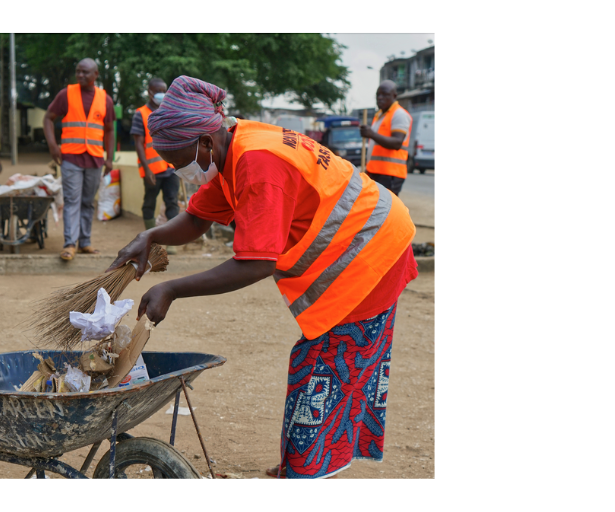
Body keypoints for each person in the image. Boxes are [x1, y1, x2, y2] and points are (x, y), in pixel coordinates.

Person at [106, 76, 418, 479]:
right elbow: (200, 217)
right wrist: (150, 236)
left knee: (325, 366)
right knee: (322, 363)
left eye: (174, 159)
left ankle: (305, 470)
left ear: (203, 142)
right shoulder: (233, 145)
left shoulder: (257, 163)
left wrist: (172, 288)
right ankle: (303, 465)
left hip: (373, 253)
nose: (172, 168)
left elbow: (256, 263)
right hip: (366, 246)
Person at [43, 58, 115, 261]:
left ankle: (85, 242)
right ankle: (69, 244)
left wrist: (109, 159)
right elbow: (48, 117)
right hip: (71, 157)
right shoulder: (66, 94)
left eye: (85, 72)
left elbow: (109, 131)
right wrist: (52, 145)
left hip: (94, 158)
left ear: (95, 75)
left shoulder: (105, 99)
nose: (80, 75)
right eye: (78, 72)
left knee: (87, 202)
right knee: (72, 200)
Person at [132, 78, 180, 246]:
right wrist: (146, 169)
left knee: (172, 203)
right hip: (152, 169)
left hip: (171, 167)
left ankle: (172, 241)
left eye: (164, 90)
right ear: (149, 92)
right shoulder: (140, 113)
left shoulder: (169, 112)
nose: (162, 94)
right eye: (158, 91)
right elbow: (138, 143)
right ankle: (150, 240)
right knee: (149, 203)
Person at [360, 81, 412, 195]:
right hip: (375, 171)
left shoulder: (399, 115)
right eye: (378, 94)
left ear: (394, 96)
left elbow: (397, 143)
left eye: (385, 94)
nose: (380, 98)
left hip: (390, 174)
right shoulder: (379, 116)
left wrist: (371, 134)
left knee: (385, 210)